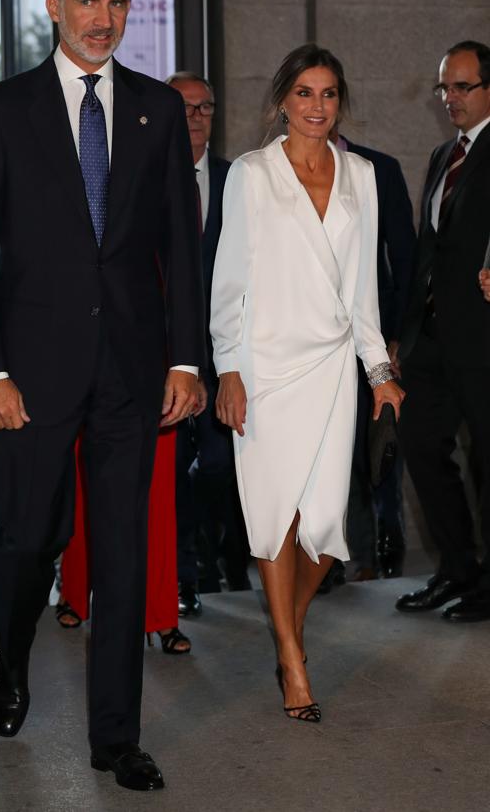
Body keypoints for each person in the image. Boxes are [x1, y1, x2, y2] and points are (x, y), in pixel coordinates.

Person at [0, 0, 204, 792]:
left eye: (118, 3)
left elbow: (181, 248)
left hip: (132, 372)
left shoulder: (157, 111)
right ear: (55, 6)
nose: (104, 20)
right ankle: (12, 650)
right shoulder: (2, 109)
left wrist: (185, 357)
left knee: (122, 555)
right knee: (26, 538)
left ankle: (116, 739)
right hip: (27, 375)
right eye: (89, 2)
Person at [210, 44, 404, 722]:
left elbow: (363, 290)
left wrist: (380, 372)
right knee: (278, 513)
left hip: (331, 367)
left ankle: (285, 625)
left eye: (328, 94)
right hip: (264, 364)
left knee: (323, 524)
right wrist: (228, 368)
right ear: (281, 102)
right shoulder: (252, 174)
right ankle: (293, 661)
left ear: (339, 102)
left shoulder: (362, 175)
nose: (317, 106)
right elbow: (229, 280)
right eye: (304, 93)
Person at [395, 40, 490, 622]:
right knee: (421, 446)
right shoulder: (441, 155)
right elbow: (427, 251)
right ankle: (457, 568)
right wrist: (403, 334)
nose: (449, 97)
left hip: (482, 337)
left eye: (462, 86)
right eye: (444, 87)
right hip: (430, 338)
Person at [165, 71, 249, 616]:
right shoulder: (144, 176)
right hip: (165, 353)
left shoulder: (238, 179)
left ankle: (226, 554)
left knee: (220, 465)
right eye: (184, 108)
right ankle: (184, 576)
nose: (196, 117)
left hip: (227, 354)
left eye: (205, 107)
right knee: (172, 471)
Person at [335, 131, 416, 580]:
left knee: (380, 440)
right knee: (335, 450)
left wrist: (398, 336)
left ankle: (387, 546)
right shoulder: (276, 168)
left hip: (375, 333)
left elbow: (404, 257)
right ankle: (341, 556)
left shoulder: (378, 168)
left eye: (328, 97)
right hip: (313, 340)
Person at [58, 427, 193, 654]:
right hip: (87, 404)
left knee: (159, 493)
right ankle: (74, 590)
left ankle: (161, 613)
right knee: (87, 484)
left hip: (154, 405)